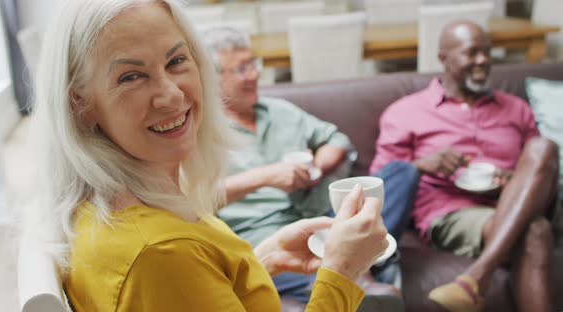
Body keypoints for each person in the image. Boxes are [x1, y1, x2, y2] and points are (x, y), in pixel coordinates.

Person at [24, 0, 390, 311]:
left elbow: (191, 292)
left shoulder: (120, 205)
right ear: (80, 102)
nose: (170, 95)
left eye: (176, 61)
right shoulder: (160, 254)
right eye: (131, 77)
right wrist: (342, 272)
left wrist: (260, 260)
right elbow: (171, 269)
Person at [202, 26, 420, 309]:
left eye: (253, 64)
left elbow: (336, 140)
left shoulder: (280, 111)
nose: (254, 74)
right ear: (213, 79)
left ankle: (360, 264)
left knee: (401, 173)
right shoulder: (202, 135)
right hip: (266, 235)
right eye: (241, 69)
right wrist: (265, 176)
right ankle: (366, 273)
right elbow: (195, 200)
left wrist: (318, 165)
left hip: (319, 217)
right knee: (269, 259)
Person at [370, 21, 558, 312]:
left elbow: (540, 173)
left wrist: (513, 179)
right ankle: (479, 277)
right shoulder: (406, 112)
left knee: (543, 148)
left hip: (511, 202)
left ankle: (475, 279)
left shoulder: (516, 108)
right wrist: (422, 165)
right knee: (536, 231)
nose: (482, 60)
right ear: (443, 58)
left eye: (486, 52)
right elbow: (380, 182)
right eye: (471, 53)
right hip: (451, 211)